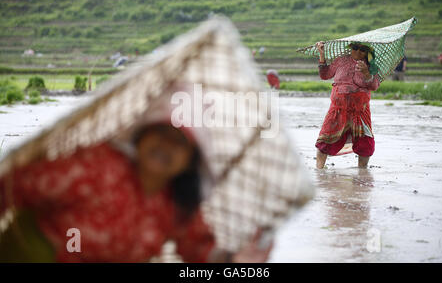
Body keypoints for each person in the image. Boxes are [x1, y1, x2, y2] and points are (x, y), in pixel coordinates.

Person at [0, 122, 272, 262]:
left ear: (189, 162)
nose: (166, 146)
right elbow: (13, 185)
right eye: (161, 133)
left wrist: (234, 261)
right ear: (141, 137)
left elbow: (199, 250)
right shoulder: (95, 165)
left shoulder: (176, 204)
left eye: (179, 143)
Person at [314, 41, 380, 169]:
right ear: (351, 49)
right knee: (324, 140)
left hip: (360, 111)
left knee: (365, 143)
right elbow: (324, 75)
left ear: (367, 52)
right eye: (355, 48)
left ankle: (362, 172)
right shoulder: (340, 61)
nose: (358, 52)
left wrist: (366, 73)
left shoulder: (371, 67)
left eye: (362, 50)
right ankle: (319, 170)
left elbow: (374, 86)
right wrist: (322, 55)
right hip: (337, 109)